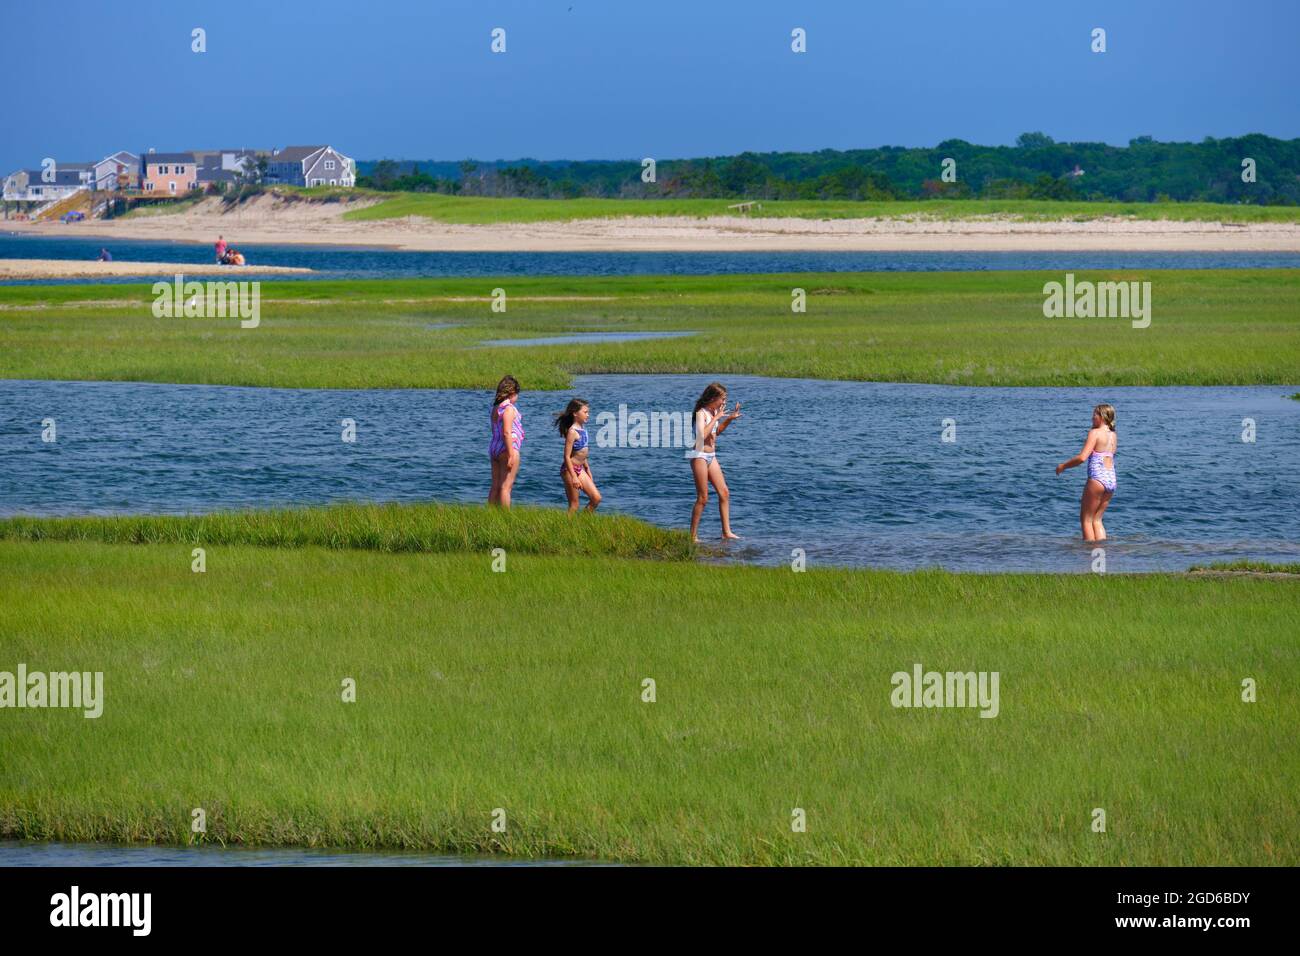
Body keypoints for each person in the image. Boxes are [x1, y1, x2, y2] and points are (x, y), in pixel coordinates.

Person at [687, 382, 742, 542]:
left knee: (724, 492)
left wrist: (729, 419)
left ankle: (726, 532)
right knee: (703, 498)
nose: (724, 402)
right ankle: (692, 536)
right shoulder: (701, 413)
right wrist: (717, 417)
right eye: (722, 399)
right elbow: (701, 436)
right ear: (713, 398)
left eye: (725, 399)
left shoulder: (714, 411)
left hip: (712, 456)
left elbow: (716, 432)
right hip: (699, 455)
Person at [1056, 403, 1117, 542]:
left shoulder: (1094, 433)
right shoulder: (1113, 435)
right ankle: (1100, 555)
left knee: (1086, 520)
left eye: (1095, 414)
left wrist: (1063, 466)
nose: (1092, 417)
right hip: (1111, 479)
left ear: (1102, 416)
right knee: (1097, 520)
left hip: (1097, 478)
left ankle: (1089, 555)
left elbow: (1082, 458)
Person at [555, 398, 601, 513]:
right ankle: (567, 528)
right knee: (574, 504)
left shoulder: (583, 429)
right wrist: (574, 476)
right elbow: (566, 456)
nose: (588, 415)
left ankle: (582, 522)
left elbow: (581, 453)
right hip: (570, 471)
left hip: (580, 469)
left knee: (596, 498)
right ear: (575, 413)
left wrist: (587, 468)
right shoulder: (572, 432)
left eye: (588, 412)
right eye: (585, 412)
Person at [488, 375, 524, 508]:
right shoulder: (509, 409)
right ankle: (505, 517)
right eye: (517, 394)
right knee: (506, 487)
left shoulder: (495, 408)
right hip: (507, 448)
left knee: (496, 485)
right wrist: (510, 454)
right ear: (512, 393)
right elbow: (507, 432)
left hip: (494, 447)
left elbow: (494, 430)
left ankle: (491, 513)